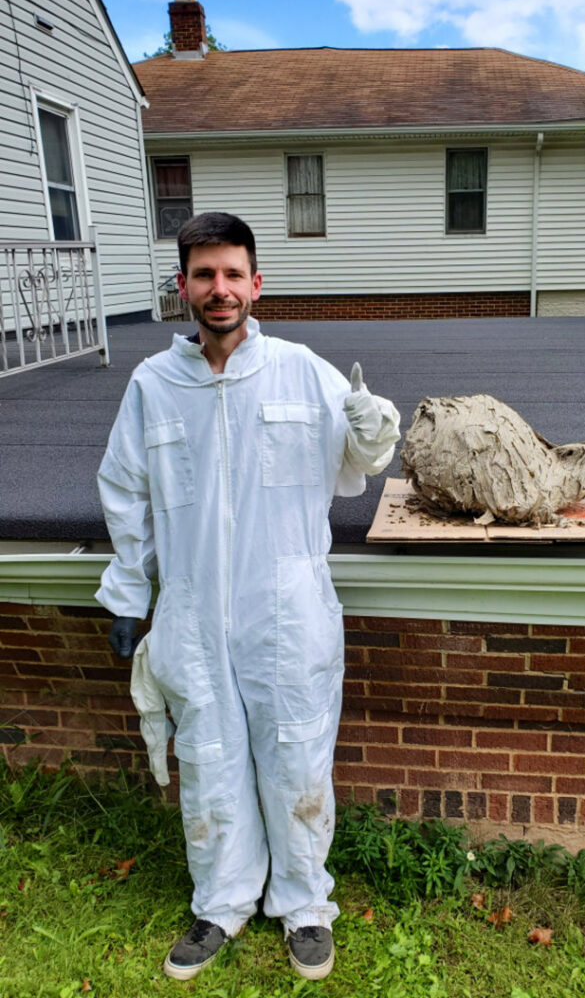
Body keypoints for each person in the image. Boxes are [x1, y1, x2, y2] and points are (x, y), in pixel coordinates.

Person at [95, 212, 400, 982]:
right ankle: (221, 900)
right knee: (209, 759)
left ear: (256, 284)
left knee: (297, 756)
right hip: (193, 612)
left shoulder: (302, 370)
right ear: (183, 288)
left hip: (286, 609)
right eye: (204, 275)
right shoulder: (152, 386)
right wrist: (129, 594)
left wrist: (374, 424)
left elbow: (363, 455)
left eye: (233, 274)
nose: (219, 288)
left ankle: (303, 906)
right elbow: (126, 495)